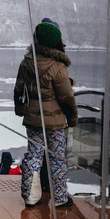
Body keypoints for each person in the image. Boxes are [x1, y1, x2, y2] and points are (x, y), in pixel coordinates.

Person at [14, 21, 78, 208]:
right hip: (55, 122)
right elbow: (67, 97)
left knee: (33, 156)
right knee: (57, 158)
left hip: (33, 119)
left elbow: (19, 89)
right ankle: (59, 197)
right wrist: (72, 118)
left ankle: (31, 197)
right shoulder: (58, 67)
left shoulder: (26, 62)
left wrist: (20, 109)